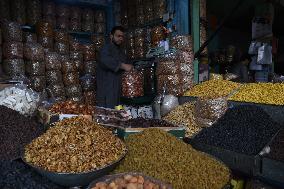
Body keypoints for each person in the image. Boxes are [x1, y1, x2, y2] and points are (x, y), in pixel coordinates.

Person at [96, 26, 133, 108]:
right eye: (118, 36)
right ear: (111, 36)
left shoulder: (121, 52)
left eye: (122, 37)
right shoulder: (106, 48)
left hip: (118, 89)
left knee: (118, 111)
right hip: (107, 89)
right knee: (108, 113)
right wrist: (122, 66)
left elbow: (128, 64)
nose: (120, 39)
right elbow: (105, 60)